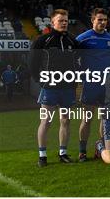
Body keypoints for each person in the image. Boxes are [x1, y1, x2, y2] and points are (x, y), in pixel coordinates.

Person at [30, 9, 79, 167]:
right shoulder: (43, 40)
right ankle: (42, 156)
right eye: (60, 20)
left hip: (68, 88)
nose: (64, 23)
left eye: (66, 20)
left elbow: (78, 61)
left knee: (65, 121)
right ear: (52, 22)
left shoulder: (73, 41)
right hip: (49, 88)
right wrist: (41, 81)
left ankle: (63, 153)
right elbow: (33, 64)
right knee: (46, 121)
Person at [76, 8, 110, 162]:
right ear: (92, 20)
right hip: (90, 85)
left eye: (105, 20)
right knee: (87, 118)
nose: (102, 22)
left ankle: (99, 147)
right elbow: (75, 59)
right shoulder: (82, 39)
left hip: (106, 86)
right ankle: (82, 151)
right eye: (99, 19)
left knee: (105, 119)